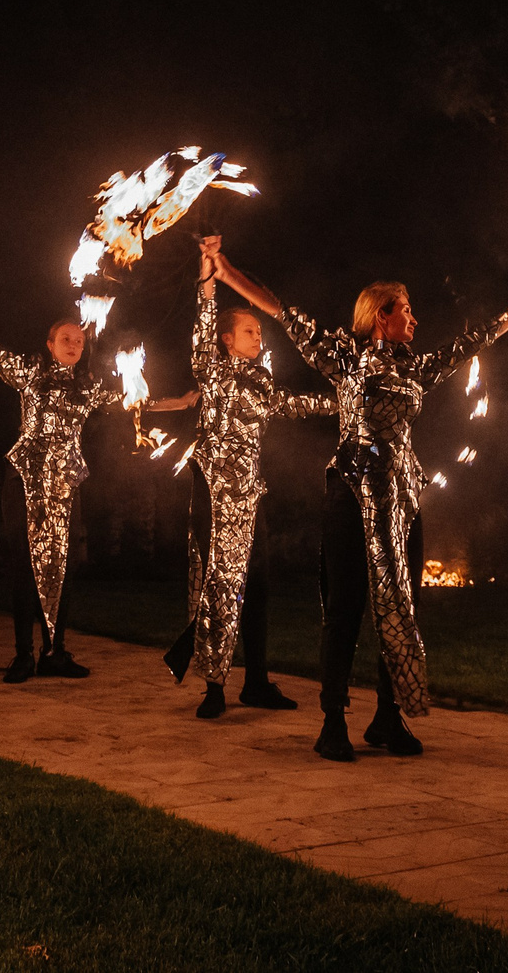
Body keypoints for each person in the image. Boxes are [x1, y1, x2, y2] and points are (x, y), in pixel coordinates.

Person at [207, 246, 508, 761]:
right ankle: (332, 722)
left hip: (402, 496)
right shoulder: (345, 357)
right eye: (406, 310)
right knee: (346, 607)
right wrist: (228, 272)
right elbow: (282, 312)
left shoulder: (415, 367)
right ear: (380, 316)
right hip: (350, 492)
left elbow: (466, 345)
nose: (415, 319)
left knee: (402, 605)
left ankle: (388, 718)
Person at [0, 296, 186, 682]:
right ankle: (23, 655)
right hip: (26, 480)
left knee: (63, 567)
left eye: (79, 340)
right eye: (66, 338)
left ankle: (55, 653)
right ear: (49, 344)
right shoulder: (30, 372)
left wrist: (178, 403)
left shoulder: (87, 387)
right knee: (26, 565)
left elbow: (131, 402)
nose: (74, 344)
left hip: (65, 483)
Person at [152, 235, 336, 719]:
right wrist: (207, 279)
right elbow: (202, 326)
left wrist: (345, 403)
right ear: (226, 340)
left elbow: (294, 404)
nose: (258, 337)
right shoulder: (211, 371)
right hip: (213, 490)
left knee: (256, 584)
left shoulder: (262, 380)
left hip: (250, 493)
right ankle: (214, 687)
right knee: (219, 583)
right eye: (249, 331)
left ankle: (256, 681)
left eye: (260, 331)